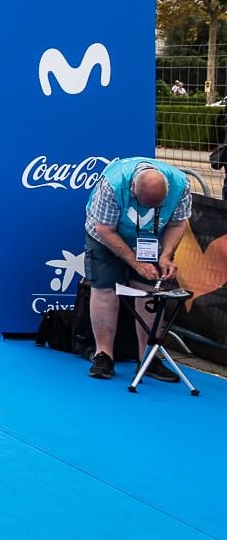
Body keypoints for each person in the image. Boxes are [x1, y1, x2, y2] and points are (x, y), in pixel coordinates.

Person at [83, 158, 192, 382]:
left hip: (150, 239)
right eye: (144, 204)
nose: (149, 210)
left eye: (156, 207)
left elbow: (177, 223)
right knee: (105, 288)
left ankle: (148, 357)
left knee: (150, 291)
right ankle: (103, 355)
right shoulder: (112, 184)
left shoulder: (181, 184)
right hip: (106, 235)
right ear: (133, 189)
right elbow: (104, 229)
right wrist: (135, 263)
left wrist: (165, 255)